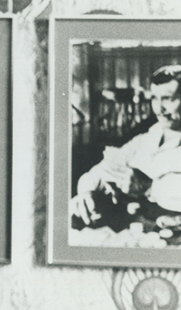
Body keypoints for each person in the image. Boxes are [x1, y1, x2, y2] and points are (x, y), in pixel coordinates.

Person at [72, 64, 181, 234]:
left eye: (167, 98)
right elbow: (100, 171)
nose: (159, 109)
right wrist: (86, 192)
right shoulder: (145, 140)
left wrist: (149, 187)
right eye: (154, 98)